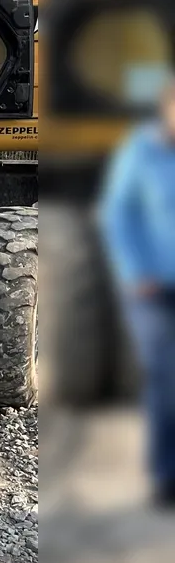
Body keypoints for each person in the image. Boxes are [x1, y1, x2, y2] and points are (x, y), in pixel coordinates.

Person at [98, 77, 175, 508]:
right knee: (164, 379)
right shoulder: (141, 152)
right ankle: (165, 476)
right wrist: (134, 270)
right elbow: (118, 215)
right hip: (155, 287)